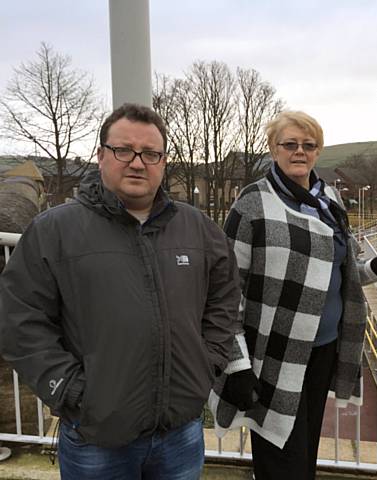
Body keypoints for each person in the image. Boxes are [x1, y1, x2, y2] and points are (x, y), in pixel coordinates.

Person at [0, 103, 243, 479]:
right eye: (123, 150)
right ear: (101, 156)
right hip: (96, 437)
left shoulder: (199, 230)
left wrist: (207, 362)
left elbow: (224, 299)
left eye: (150, 153)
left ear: (163, 161)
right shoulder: (54, 231)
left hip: (180, 432)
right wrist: (69, 389)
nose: (137, 162)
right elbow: (20, 320)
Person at [209, 111, 377, 480]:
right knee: (281, 456)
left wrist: (376, 268)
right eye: (289, 144)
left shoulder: (329, 200)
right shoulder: (253, 203)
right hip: (271, 355)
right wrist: (237, 365)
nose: (299, 152)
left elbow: (339, 271)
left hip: (322, 349)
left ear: (318, 152)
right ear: (273, 149)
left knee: (304, 452)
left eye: (308, 146)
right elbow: (225, 291)